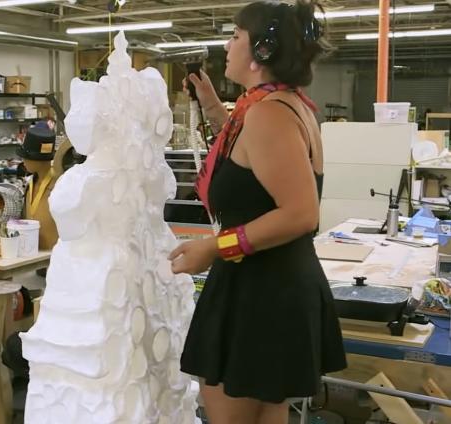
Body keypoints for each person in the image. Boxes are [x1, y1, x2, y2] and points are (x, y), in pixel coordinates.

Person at [169, 1, 346, 423]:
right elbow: (249, 169)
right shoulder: (279, 106)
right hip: (275, 286)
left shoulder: (269, 115)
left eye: (235, 35)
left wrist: (214, 247)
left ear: (261, 51)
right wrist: (214, 108)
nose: (227, 45)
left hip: (260, 293)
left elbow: (302, 214)